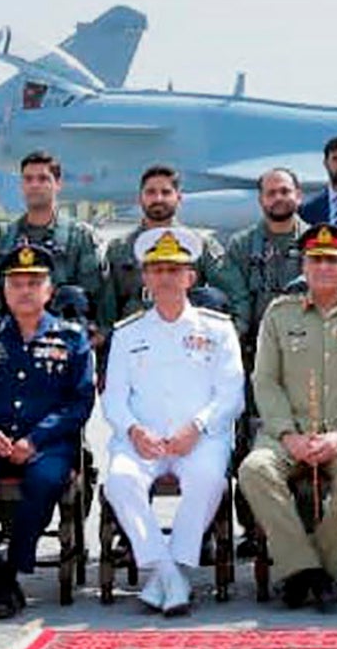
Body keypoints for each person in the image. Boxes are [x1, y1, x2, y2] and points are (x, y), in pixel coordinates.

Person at [239, 223, 337, 611]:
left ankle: (309, 571)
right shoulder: (279, 313)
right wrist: (288, 435)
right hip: (288, 433)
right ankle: (311, 574)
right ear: (304, 267)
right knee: (254, 469)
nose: (324, 267)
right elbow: (265, 382)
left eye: (333, 260)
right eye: (316, 260)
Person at [99, 226, 247, 615]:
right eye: (157, 269)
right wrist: (133, 430)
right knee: (120, 481)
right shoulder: (128, 333)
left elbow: (231, 394)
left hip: (199, 438)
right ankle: (169, 572)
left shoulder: (217, 329)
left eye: (174, 269)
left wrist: (196, 427)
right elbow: (113, 396)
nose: (166, 277)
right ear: (145, 278)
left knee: (208, 479)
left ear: (191, 277)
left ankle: (170, 573)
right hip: (141, 439)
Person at [0, 242, 95, 619]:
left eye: (34, 282)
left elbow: (79, 403)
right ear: (4, 291)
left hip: (46, 446)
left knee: (45, 481)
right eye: (16, 283)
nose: (25, 290)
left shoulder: (71, 340)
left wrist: (35, 438)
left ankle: (10, 569)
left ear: (49, 291)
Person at [95, 165, 227, 328]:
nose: (158, 199)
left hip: (188, 334)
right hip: (135, 336)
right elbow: (108, 304)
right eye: (151, 192)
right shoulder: (120, 249)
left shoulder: (200, 245)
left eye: (166, 192)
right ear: (140, 198)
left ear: (178, 198)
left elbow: (224, 292)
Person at [213, 167, 306, 361]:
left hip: (305, 348)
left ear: (298, 196)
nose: (278, 197)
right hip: (255, 349)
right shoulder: (241, 245)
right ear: (261, 200)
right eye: (271, 193)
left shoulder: (316, 244)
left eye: (285, 191)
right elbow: (236, 299)